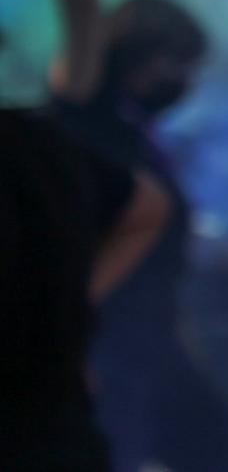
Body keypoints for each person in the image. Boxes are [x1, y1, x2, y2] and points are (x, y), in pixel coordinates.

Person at [3, 0, 228, 472]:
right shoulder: (83, 107)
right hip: (99, 353)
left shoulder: (140, 133)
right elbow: (82, 2)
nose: (181, 82)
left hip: (152, 347)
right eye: (176, 63)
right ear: (144, 58)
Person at [0, 101, 170, 472]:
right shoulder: (34, 143)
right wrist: (67, 301)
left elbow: (146, 207)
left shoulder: (26, 144)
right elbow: (148, 206)